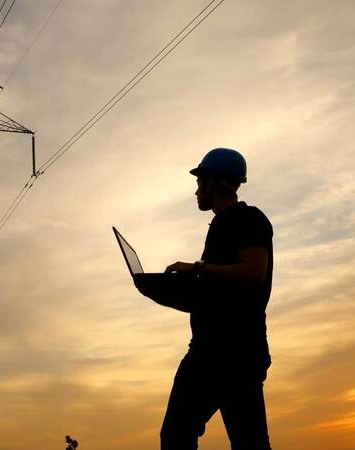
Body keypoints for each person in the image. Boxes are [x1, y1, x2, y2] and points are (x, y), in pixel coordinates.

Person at [135, 148, 273, 450]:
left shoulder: (248, 219)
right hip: (209, 350)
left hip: (235, 352)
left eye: (201, 182)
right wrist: (166, 290)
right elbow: (217, 291)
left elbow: (253, 273)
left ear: (218, 182)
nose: (197, 190)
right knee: (178, 435)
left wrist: (196, 268)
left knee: (243, 443)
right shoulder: (221, 226)